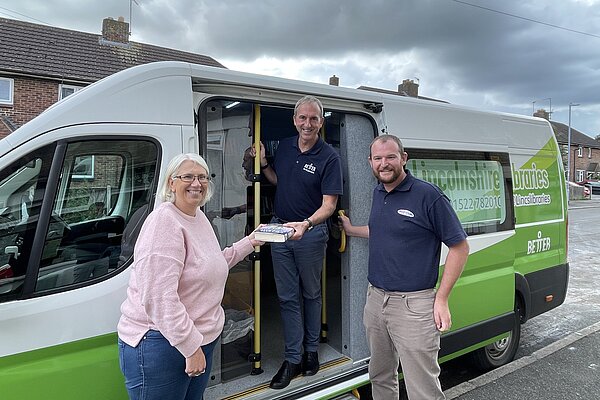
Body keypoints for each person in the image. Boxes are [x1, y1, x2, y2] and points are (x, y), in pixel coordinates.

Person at [117, 153, 264, 400]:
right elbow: (159, 297)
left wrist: (252, 241)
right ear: (171, 183)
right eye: (187, 176)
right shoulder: (164, 223)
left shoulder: (197, 217)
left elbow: (213, 264)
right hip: (163, 343)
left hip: (195, 340)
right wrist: (190, 346)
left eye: (202, 177)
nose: (196, 183)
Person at [339, 135, 469, 400]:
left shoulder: (428, 195)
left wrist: (441, 298)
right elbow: (384, 230)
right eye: (378, 158)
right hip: (376, 300)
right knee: (380, 376)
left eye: (390, 157)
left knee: (422, 388)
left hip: (414, 306)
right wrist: (352, 230)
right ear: (370, 162)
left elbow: (460, 247)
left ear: (404, 158)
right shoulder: (378, 192)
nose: (384, 164)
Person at [254, 95, 343, 389]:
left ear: (321, 122)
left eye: (313, 119)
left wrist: (306, 224)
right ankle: (293, 359)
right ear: (295, 120)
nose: (307, 124)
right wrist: (265, 163)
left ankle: (310, 352)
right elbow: (281, 181)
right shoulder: (286, 147)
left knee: (311, 295)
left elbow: (329, 205)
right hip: (280, 231)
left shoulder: (329, 156)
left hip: (310, 233)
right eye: (302, 118)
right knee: (287, 297)